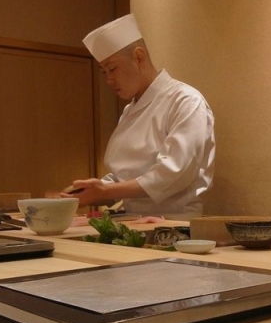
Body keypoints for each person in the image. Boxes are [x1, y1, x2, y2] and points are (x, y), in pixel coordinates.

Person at [62, 14, 215, 219]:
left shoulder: (185, 100)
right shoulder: (129, 111)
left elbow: (174, 173)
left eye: (113, 68)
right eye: (104, 72)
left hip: (175, 224)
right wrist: (87, 192)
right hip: (133, 221)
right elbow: (122, 177)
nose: (109, 79)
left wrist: (106, 191)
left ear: (139, 56)